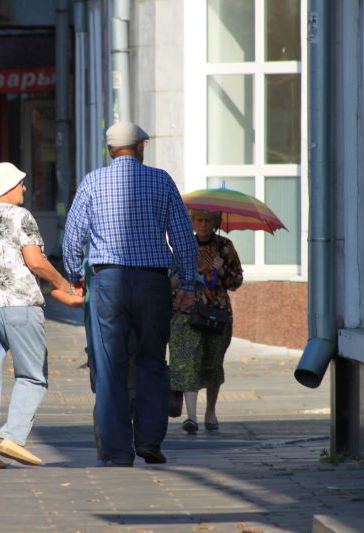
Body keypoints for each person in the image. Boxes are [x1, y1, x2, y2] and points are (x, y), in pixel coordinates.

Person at [63, 122, 198, 467]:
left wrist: (76, 277)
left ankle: (119, 451)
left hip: (107, 282)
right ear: (141, 147)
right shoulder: (161, 180)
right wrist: (188, 285)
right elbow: (183, 237)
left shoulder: (92, 182)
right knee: (152, 362)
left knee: (110, 368)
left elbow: (73, 236)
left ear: (110, 150)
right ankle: (150, 441)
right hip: (153, 283)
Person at [0, 162, 83, 470]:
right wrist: (64, 286)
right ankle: (13, 437)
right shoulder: (20, 216)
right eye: (20, 184)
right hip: (19, 308)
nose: (25, 189)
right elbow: (36, 262)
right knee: (32, 376)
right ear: (7, 187)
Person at [169, 209, 243, 434]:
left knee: (212, 363)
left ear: (215, 222)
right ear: (192, 222)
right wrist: (188, 272)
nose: (202, 224)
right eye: (198, 219)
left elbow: (236, 281)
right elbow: (170, 281)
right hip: (186, 312)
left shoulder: (225, 246)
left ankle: (210, 411)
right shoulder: (183, 247)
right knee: (187, 362)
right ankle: (191, 417)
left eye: (208, 220)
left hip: (216, 314)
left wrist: (222, 269)